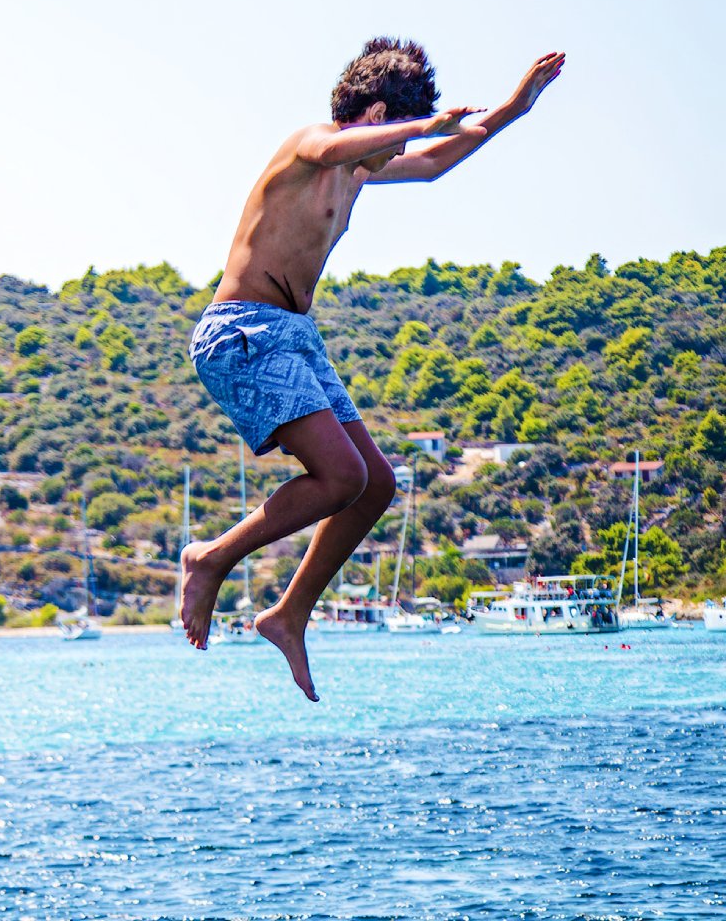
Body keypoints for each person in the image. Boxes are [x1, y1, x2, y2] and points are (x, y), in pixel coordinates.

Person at [179, 39, 565, 701]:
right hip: (242, 333)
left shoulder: (360, 170)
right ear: (377, 113)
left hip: (295, 338)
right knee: (341, 476)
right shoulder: (312, 145)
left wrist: (511, 110)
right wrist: (421, 126)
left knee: (376, 484)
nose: (392, 159)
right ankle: (211, 558)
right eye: (391, 136)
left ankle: (289, 614)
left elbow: (435, 161)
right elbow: (346, 147)